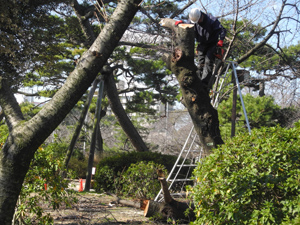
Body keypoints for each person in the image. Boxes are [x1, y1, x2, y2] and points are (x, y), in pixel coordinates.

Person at [175, 8, 227, 89]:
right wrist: (181, 23)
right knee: (201, 64)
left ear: (201, 16)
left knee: (208, 62)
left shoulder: (212, 20)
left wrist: (221, 40)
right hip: (202, 44)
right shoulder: (193, 20)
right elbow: (188, 25)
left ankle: (205, 83)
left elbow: (222, 30)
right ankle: (198, 81)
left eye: (198, 20)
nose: (197, 22)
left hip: (212, 44)